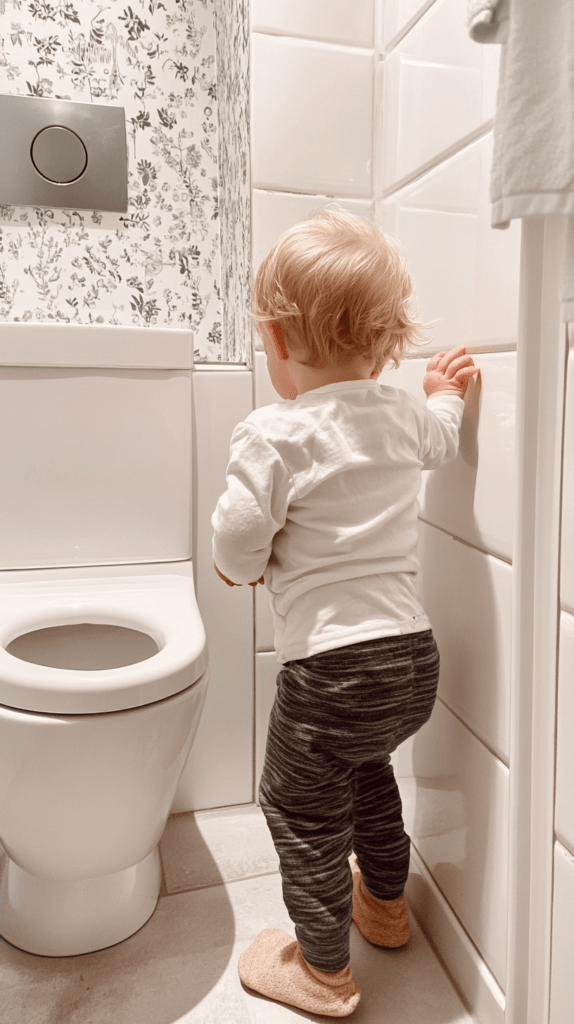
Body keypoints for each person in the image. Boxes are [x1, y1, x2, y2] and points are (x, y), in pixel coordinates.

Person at [211, 207, 480, 1017]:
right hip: (411, 663)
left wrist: (240, 572)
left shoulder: (272, 432)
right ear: (386, 342)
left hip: (331, 668)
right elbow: (440, 435)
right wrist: (443, 393)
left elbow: (237, 537)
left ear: (281, 344)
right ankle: (387, 910)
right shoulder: (402, 414)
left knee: (298, 805)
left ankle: (323, 969)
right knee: (368, 777)